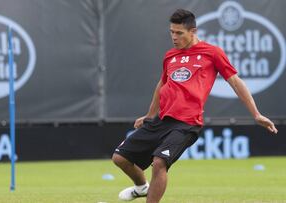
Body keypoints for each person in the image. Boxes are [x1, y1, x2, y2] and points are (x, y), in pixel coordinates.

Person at [112, 9, 278, 203]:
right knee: (120, 158)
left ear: (193, 31)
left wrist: (256, 114)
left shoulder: (212, 53)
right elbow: (162, 85)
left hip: (186, 123)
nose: (174, 37)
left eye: (179, 33)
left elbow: (235, 82)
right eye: (171, 32)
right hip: (161, 120)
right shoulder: (170, 56)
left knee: (159, 163)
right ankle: (141, 188)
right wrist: (150, 114)